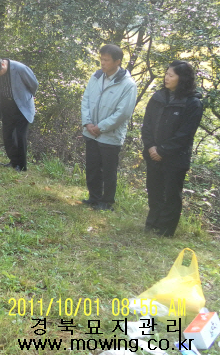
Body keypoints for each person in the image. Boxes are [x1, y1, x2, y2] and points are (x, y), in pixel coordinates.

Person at [141, 61, 203, 236]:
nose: (166, 78)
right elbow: (147, 124)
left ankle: (165, 230)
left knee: (171, 194)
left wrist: (162, 150)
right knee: (154, 191)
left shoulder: (193, 103)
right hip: (153, 153)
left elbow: (185, 134)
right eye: (166, 74)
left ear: (182, 78)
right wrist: (151, 147)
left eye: (171, 75)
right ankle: (152, 224)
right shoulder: (158, 97)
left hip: (176, 158)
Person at [81, 44, 137, 211]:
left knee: (108, 170)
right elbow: (86, 100)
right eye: (101, 59)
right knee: (92, 167)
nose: (103, 63)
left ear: (117, 61)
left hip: (110, 135)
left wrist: (101, 127)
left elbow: (123, 113)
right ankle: (94, 198)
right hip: (91, 131)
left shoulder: (128, 84)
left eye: (106, 60)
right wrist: (88, 123)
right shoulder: (96, 76)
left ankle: (106, 202)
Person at [0, 57, 39, 171]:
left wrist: (25, 98)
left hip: (22, 106)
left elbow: (34, 84)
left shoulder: (20, 68)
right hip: (6, 106)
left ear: (3, 65)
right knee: (8, 135)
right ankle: (13, 162)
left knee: (20, 136)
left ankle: (22, 165)